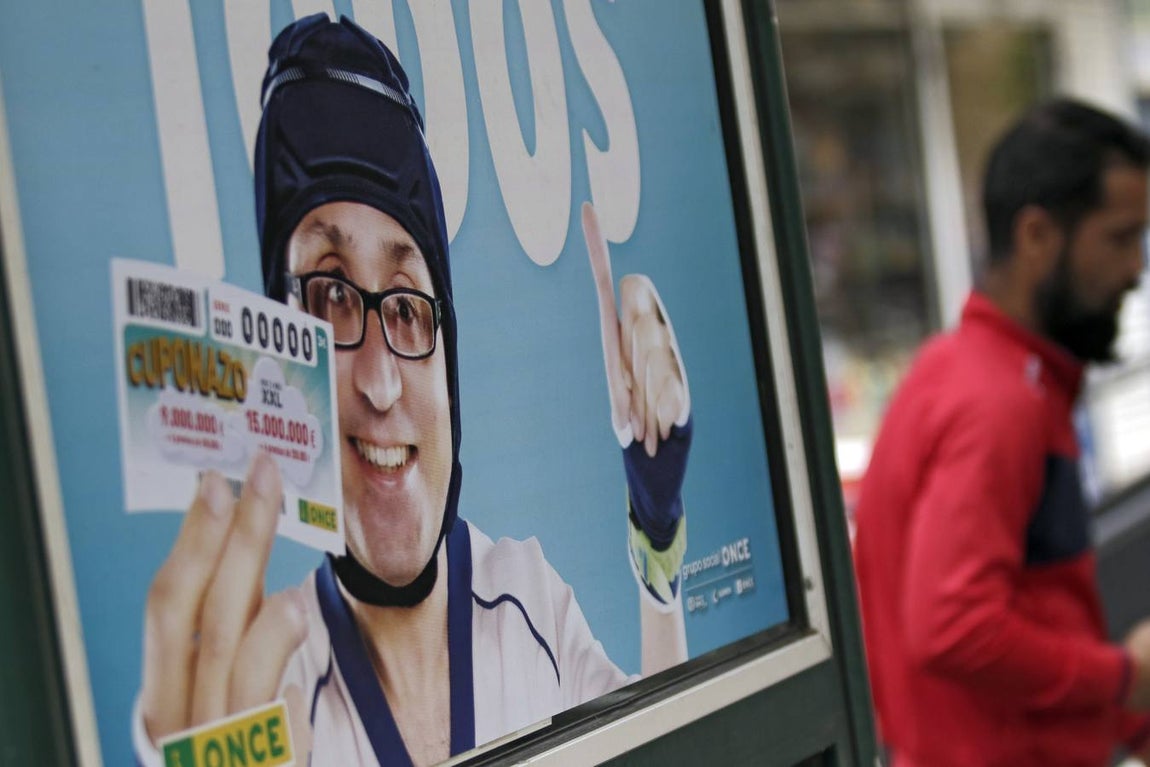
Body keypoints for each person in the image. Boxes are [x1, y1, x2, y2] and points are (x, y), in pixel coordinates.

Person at [132, 14, 691, 767]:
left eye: (405, 307)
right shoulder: (272, 698)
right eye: (330, 297)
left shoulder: (526, 602)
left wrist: (658, 532)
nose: (381, 379)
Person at [852, 97, 1150, 767]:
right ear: (1037, 235)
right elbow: (954, 626)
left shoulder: (961, 371)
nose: (1136, 269)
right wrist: (1122, 676)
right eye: (1120, 238)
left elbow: (1034, 616)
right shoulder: (997, 403)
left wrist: (1128, 715)